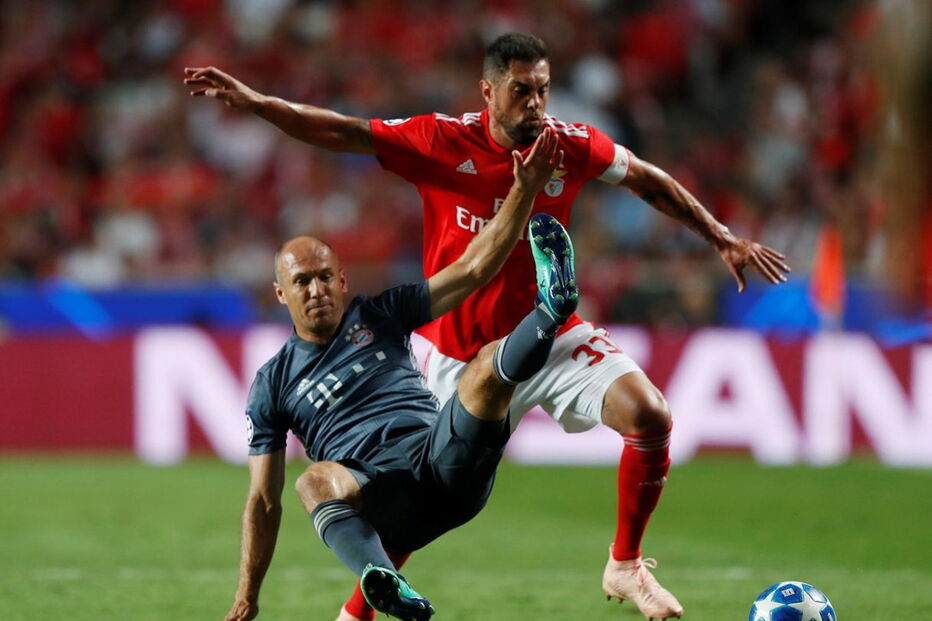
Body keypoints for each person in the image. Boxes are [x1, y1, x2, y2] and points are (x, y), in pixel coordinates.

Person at [187, 32, 790, 621]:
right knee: (416, 502)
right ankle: (361, 610)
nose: (536, 104)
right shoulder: (440, 140)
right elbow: (343, 130)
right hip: (455, 355)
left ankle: (626, 563)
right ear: (488, 91)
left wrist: (722, 237)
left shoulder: (569, 145)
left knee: (650, 414)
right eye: (522, 91)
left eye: (543, 90)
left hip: (551, 335)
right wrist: (260, 104)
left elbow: (645, 178)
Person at [223, 129, 575, 621]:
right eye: (301, 282)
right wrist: (247, 596)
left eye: (324, 277)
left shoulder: (380, 314)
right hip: (381, 501)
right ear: (281, 294)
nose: (316, 290)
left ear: (342, 281)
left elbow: (472, 269)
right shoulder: (272, 383)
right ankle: (384, 580)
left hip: (442, 460)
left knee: (483, 368)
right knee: (313, 481)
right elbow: (263, 500)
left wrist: (525, 189)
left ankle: (550, 312)